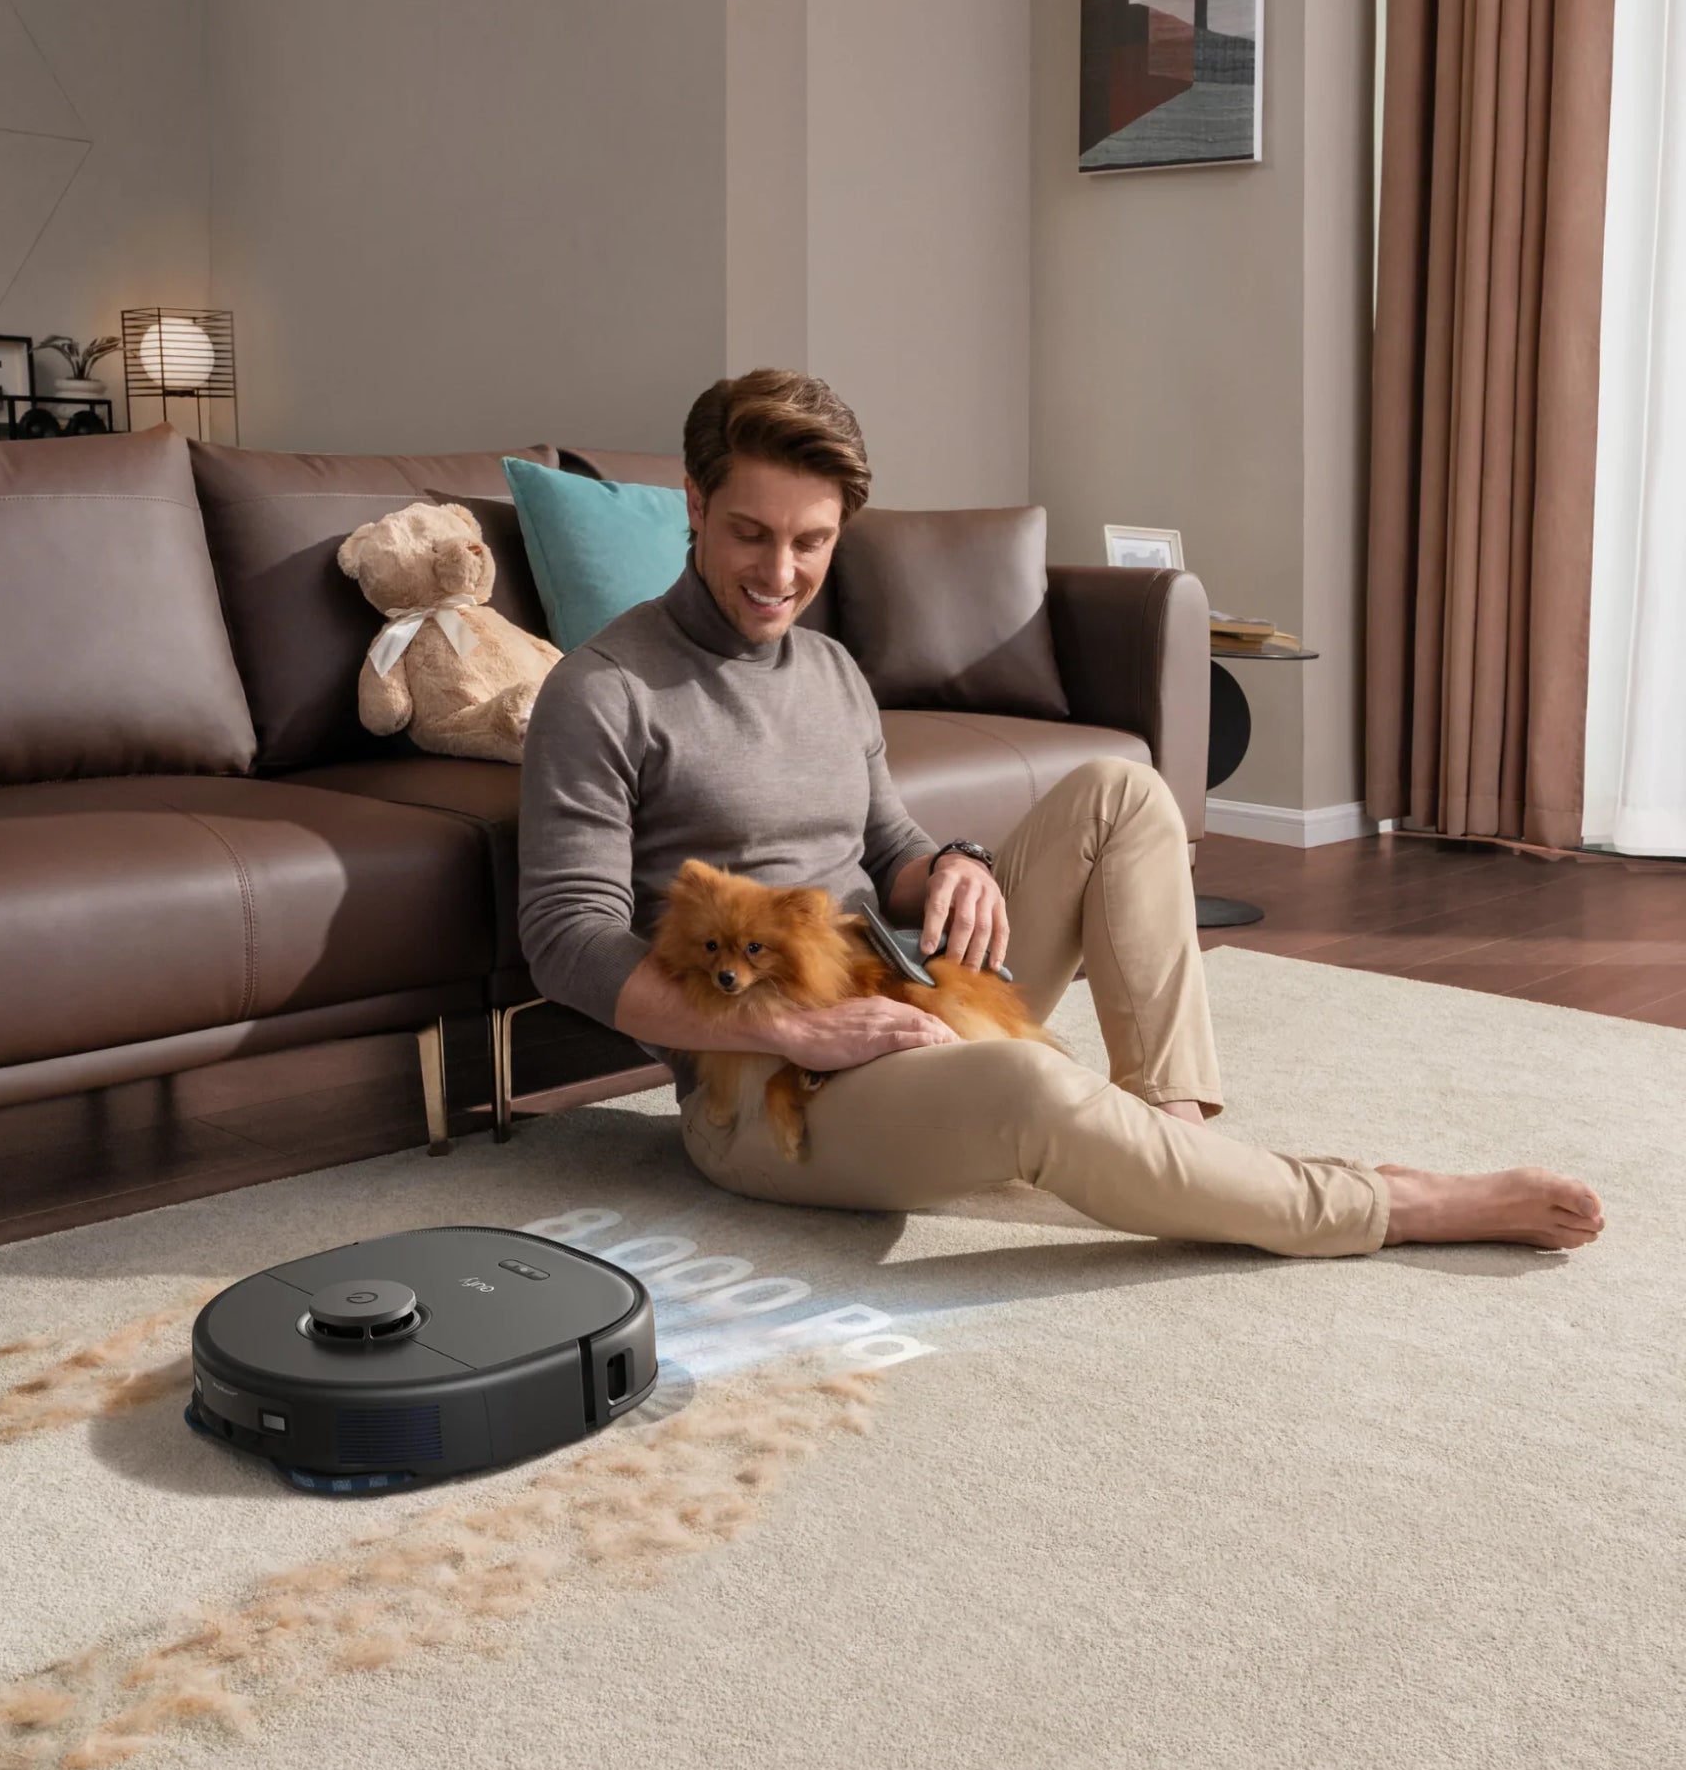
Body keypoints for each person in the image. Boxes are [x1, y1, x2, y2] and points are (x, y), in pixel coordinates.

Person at [516, 369, 1605, 1258]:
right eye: (751, 535)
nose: (779, 572)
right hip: (770, 1095)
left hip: (906, 998)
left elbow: (886, 849)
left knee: (1122, 794)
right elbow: (565, 939)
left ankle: (1171, 1136)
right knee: (1032, 1085)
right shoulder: (606, 691)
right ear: (694, 506)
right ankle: (1384, 1204)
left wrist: (955, 864)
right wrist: (793, 1028)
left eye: (812, 542)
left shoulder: (832, 670)